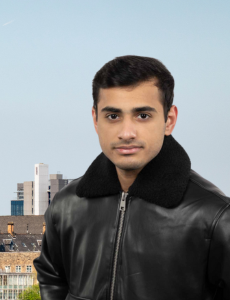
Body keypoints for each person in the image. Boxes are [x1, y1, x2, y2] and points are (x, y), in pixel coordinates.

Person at [33, 55, 230, 300]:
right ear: (96, 120)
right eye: (113, 116)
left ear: (169, 120)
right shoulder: (66, 205)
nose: (126, 133)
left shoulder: (216, 216)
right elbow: (52, 277)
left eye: (143, 115)